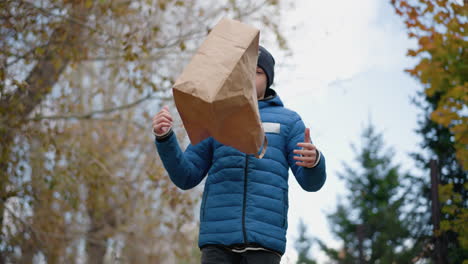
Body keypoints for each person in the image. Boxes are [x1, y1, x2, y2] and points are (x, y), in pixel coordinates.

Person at [152, 46, 326, 264]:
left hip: (265, 242)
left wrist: (314, 162)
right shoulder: (215, 118)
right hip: (217, 242)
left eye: (258, 72)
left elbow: (311, 183)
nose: (250, 77)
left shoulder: (289, 121)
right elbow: (186, 176)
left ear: (268, 79)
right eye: (244, 71)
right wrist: (165, 138)